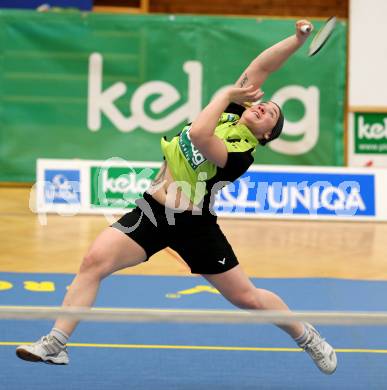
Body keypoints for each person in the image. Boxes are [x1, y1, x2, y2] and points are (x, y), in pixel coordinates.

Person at [16, 19, 337, 374]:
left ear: (265, 137)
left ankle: (306, 336)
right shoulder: (230, 114)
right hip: (152, 212)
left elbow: (200, 136)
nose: (264, 108)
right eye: (266, 104)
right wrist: (295, 39)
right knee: (93, 262)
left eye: (271, 116)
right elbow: (261, 67)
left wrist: (223, 94)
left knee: (247, 297)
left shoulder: (241, 154)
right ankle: (56, 344)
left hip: (192, 225)